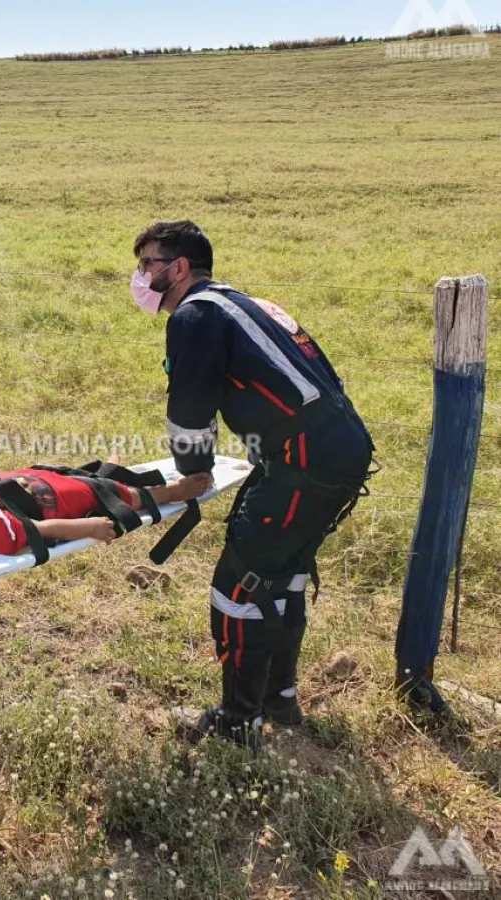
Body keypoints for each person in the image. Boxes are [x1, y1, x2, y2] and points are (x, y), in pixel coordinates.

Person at [130, 220, 374, 750]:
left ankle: (238, 724)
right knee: (281, 577)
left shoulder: (194, 317)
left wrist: (192, 471)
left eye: (149, 263)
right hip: (337, 448)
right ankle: (279, 700)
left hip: (301, 462)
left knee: (238, 587)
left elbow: (190, 409)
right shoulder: (242, 303)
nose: (140, 274)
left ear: (179, 268)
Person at [0, 463, 203, 561]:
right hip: (54, 502)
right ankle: (169, 492)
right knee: (109, 495)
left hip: (30, 481)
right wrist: (90, 528)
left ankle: (105, 472)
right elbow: (38, 531)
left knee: (83, 479)